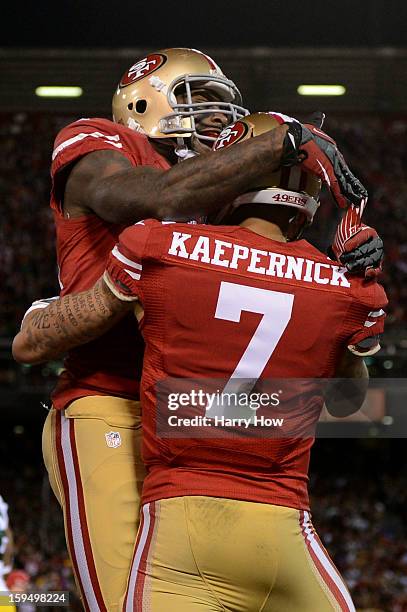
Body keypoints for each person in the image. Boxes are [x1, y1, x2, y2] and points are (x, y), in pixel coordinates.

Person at [14, 46, 374, 611]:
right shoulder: (104, 141)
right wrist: (279, 142)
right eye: (199, 97)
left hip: (189, 416)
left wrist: (341, 274)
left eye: (223, 104)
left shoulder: (215, 190)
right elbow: (150, 197)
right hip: (108, 399)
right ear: (141, 100)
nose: (217, 115)